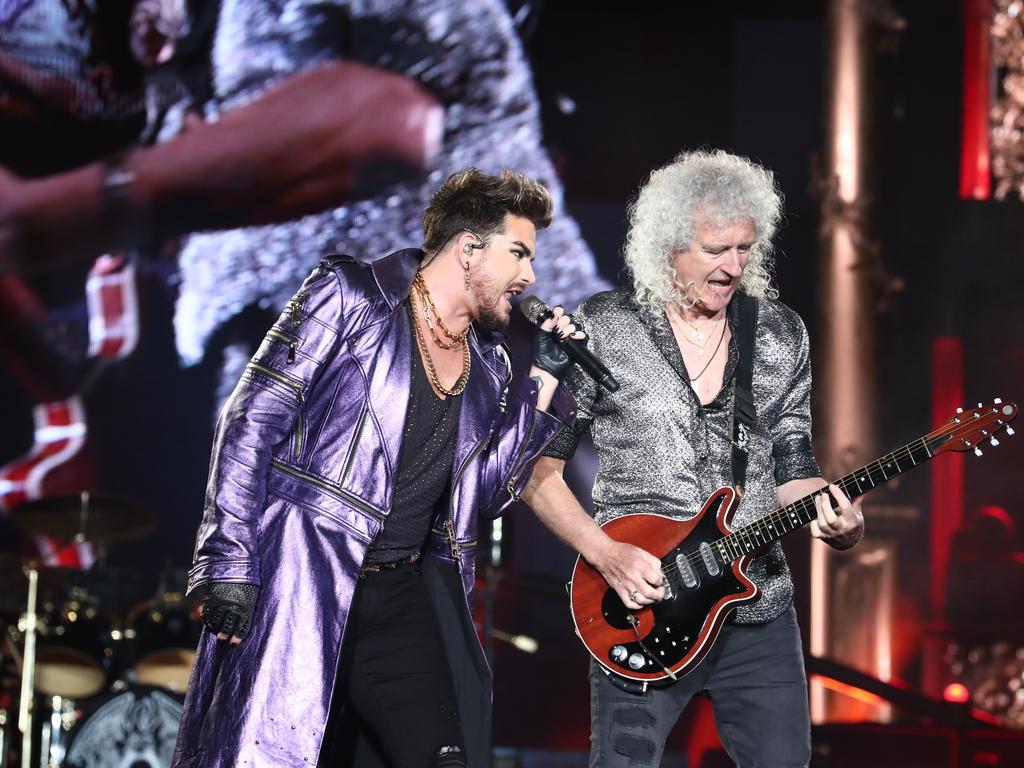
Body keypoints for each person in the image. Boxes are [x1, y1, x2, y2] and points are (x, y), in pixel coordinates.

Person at [172, 168, 580, 768]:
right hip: (304, 576)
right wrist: (229, 557)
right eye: (518, 254)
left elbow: (484, 495)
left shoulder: (490, 368)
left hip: (399, 592)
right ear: (468, 248)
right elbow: (250, 420)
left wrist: (541, 383)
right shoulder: (352, 296)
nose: (530, 276)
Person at [521, 150, 866, 767]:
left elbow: (793, 468)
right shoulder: (606, 328)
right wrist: (604, 554)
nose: (734, 267)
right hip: (639, 610)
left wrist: (837, 519)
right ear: (669, 246)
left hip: (757, 610)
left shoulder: (780, 334)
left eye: (745, 249)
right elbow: (536, 469)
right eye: (716, 250)